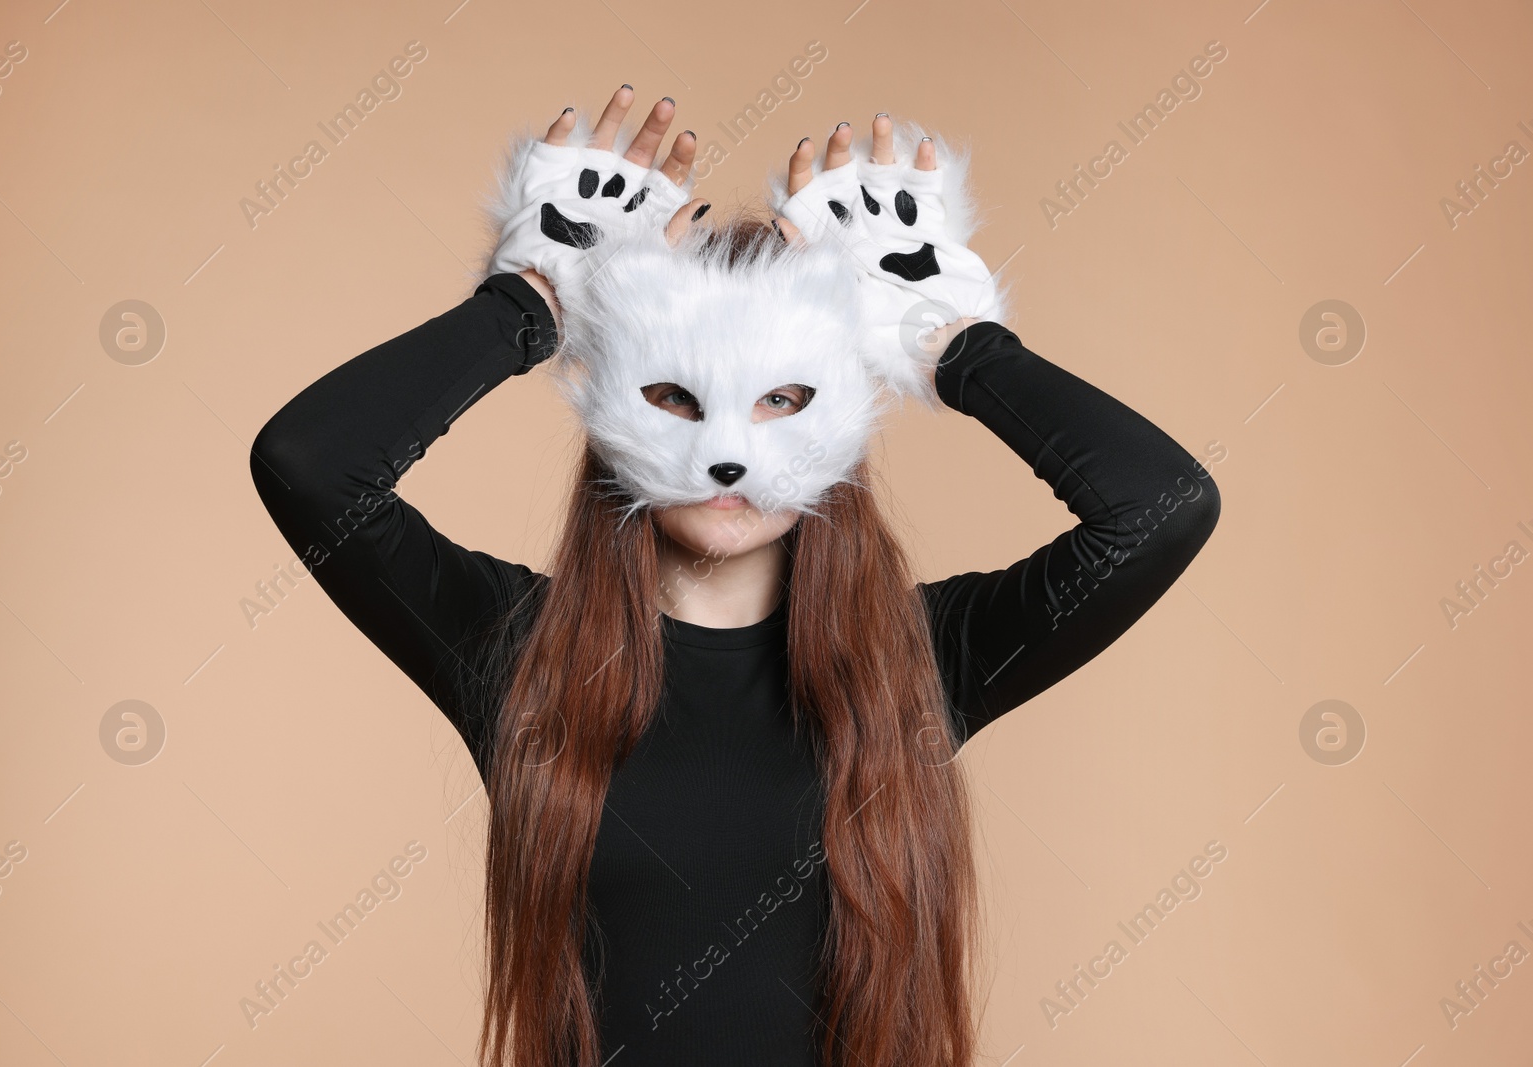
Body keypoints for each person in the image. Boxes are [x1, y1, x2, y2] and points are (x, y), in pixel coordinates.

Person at [250, 83, 1221, 1067]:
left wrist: (949, 340)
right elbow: (311, 465)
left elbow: (1159, 505)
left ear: (838, 414)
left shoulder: (916, 660)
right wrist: (527, 303)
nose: (731, 451)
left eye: (783, 399)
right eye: (675, 393)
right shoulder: (519, 653)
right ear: (616, 415)